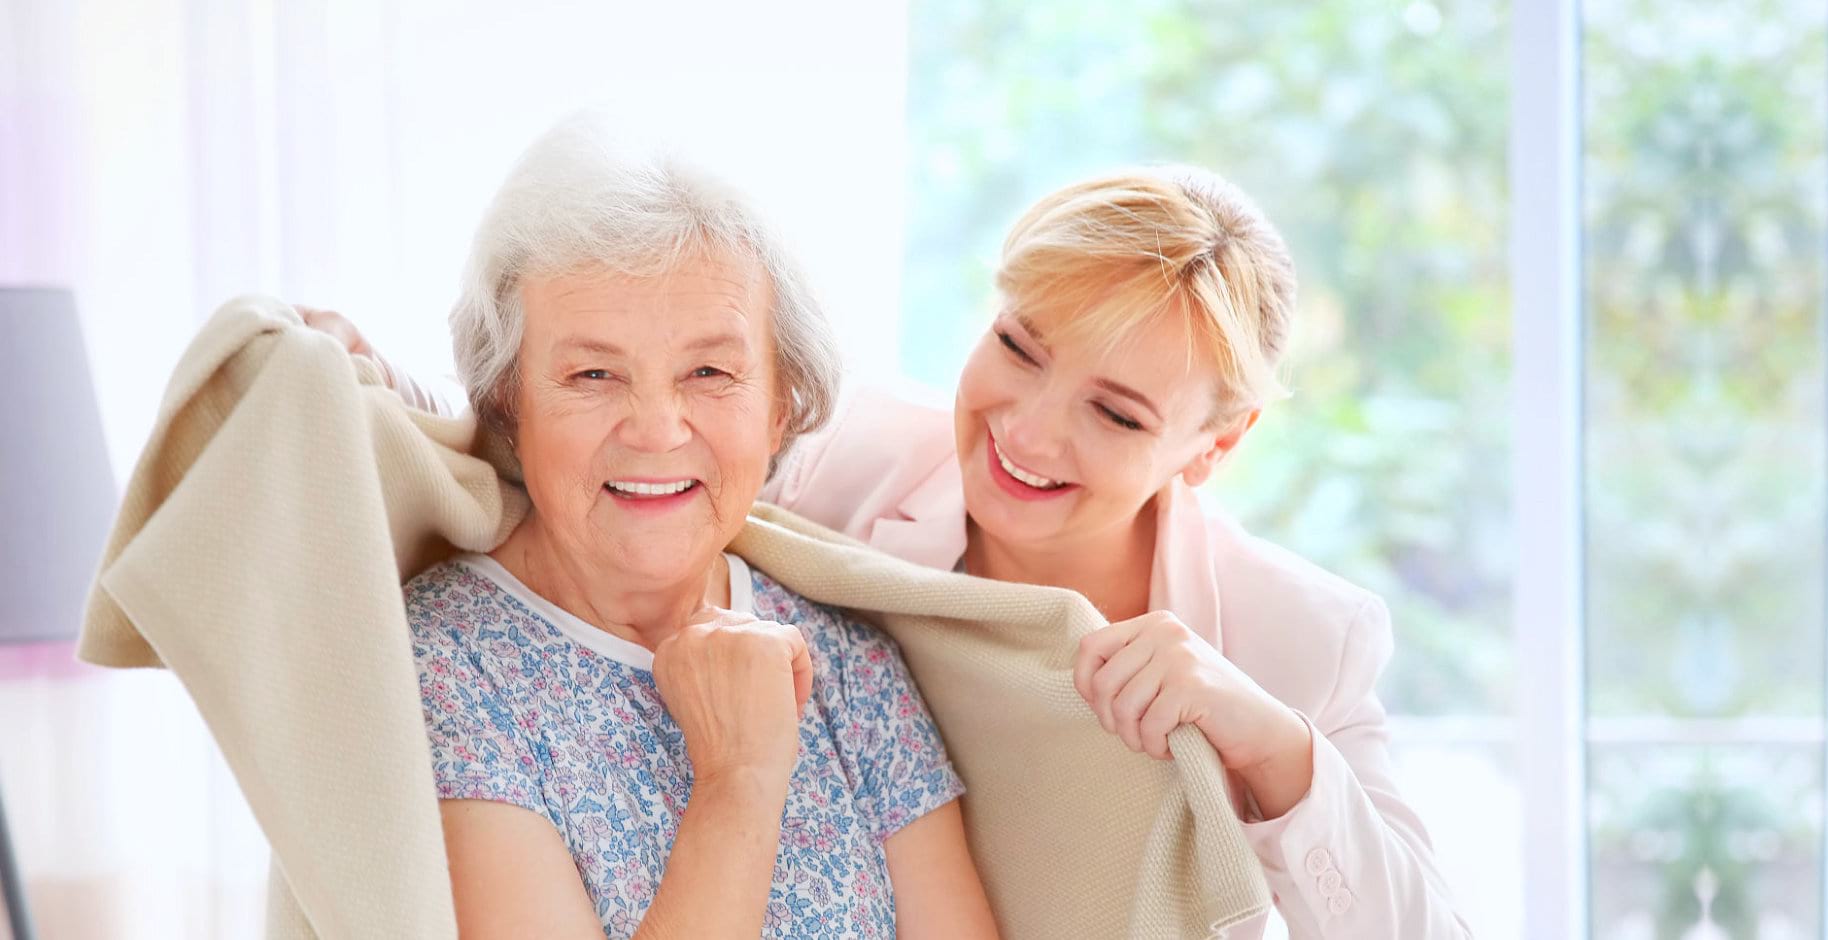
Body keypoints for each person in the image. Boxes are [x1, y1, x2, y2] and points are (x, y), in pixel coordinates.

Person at [323, 167, 1470, 937]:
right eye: (1019, 347)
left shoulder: (1298, 636)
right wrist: (387, 404)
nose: (1027, 429)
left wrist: (1267, 739)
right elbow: (644, 453)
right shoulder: (853, 456)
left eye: (1116, 414)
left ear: (1215, 446)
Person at [396, 121, 997, 940]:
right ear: (510, 400)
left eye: (709, 372)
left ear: (782, 404)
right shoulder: (444, 667)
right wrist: (739, 779)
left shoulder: (851, 665)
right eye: (593, 374)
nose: (655, 429)